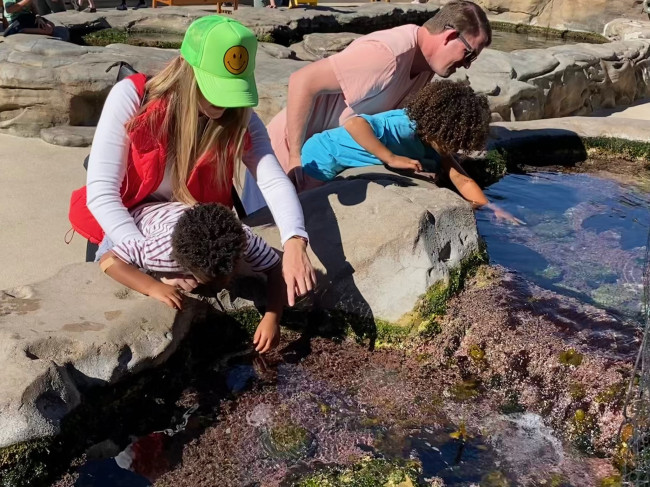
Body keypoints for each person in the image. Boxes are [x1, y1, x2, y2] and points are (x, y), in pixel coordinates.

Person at [69, 15, 316, 307]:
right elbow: (102, 194)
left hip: (187, 232)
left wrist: (295, 242)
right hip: (125, 228)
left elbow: (272, 179)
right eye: (215, 88)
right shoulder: (133, 98)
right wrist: (156, 263)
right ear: (187, 70)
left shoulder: (242, 117)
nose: (224, 104)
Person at [265, 0, 491, 189]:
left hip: (321, 164)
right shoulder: (386, 54)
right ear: (450, 36)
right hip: (285, 158)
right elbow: (302, 81)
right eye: (468, 55)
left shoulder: (424, 69)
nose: (467, 65)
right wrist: (294, 157)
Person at [298, 80, 522, 223]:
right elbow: (355, 124)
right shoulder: (403, 125)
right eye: (451, 141)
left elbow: (462, 180)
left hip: (345, 162)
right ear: (436, 126)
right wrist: (391, 158)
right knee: (308, 208)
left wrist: (490, 207)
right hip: (324, 154)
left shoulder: (435, 143)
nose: (452, 148)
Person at [99, 202, 284, 353]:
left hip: (181, 215)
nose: (222, 284)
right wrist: (152, 287)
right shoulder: (158, 252)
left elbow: (276, 268)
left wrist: (272, 316)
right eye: (211, 279)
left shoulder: (242, 238)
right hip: (136, 220)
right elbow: (109, 261)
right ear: (183, 265)